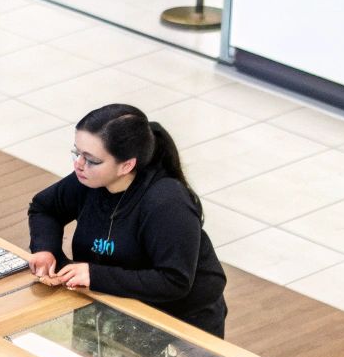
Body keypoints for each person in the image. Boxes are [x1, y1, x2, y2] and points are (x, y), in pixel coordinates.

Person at [27, 103, 228, 337]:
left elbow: (174, 280)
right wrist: (46, 250)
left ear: (127, 165)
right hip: (106, 306)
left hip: (175, 324)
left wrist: (95, 275)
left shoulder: (168, 203)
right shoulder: (89, 180)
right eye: (77, 153)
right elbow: (44, 208)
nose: (78, 165)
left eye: (91, 160)